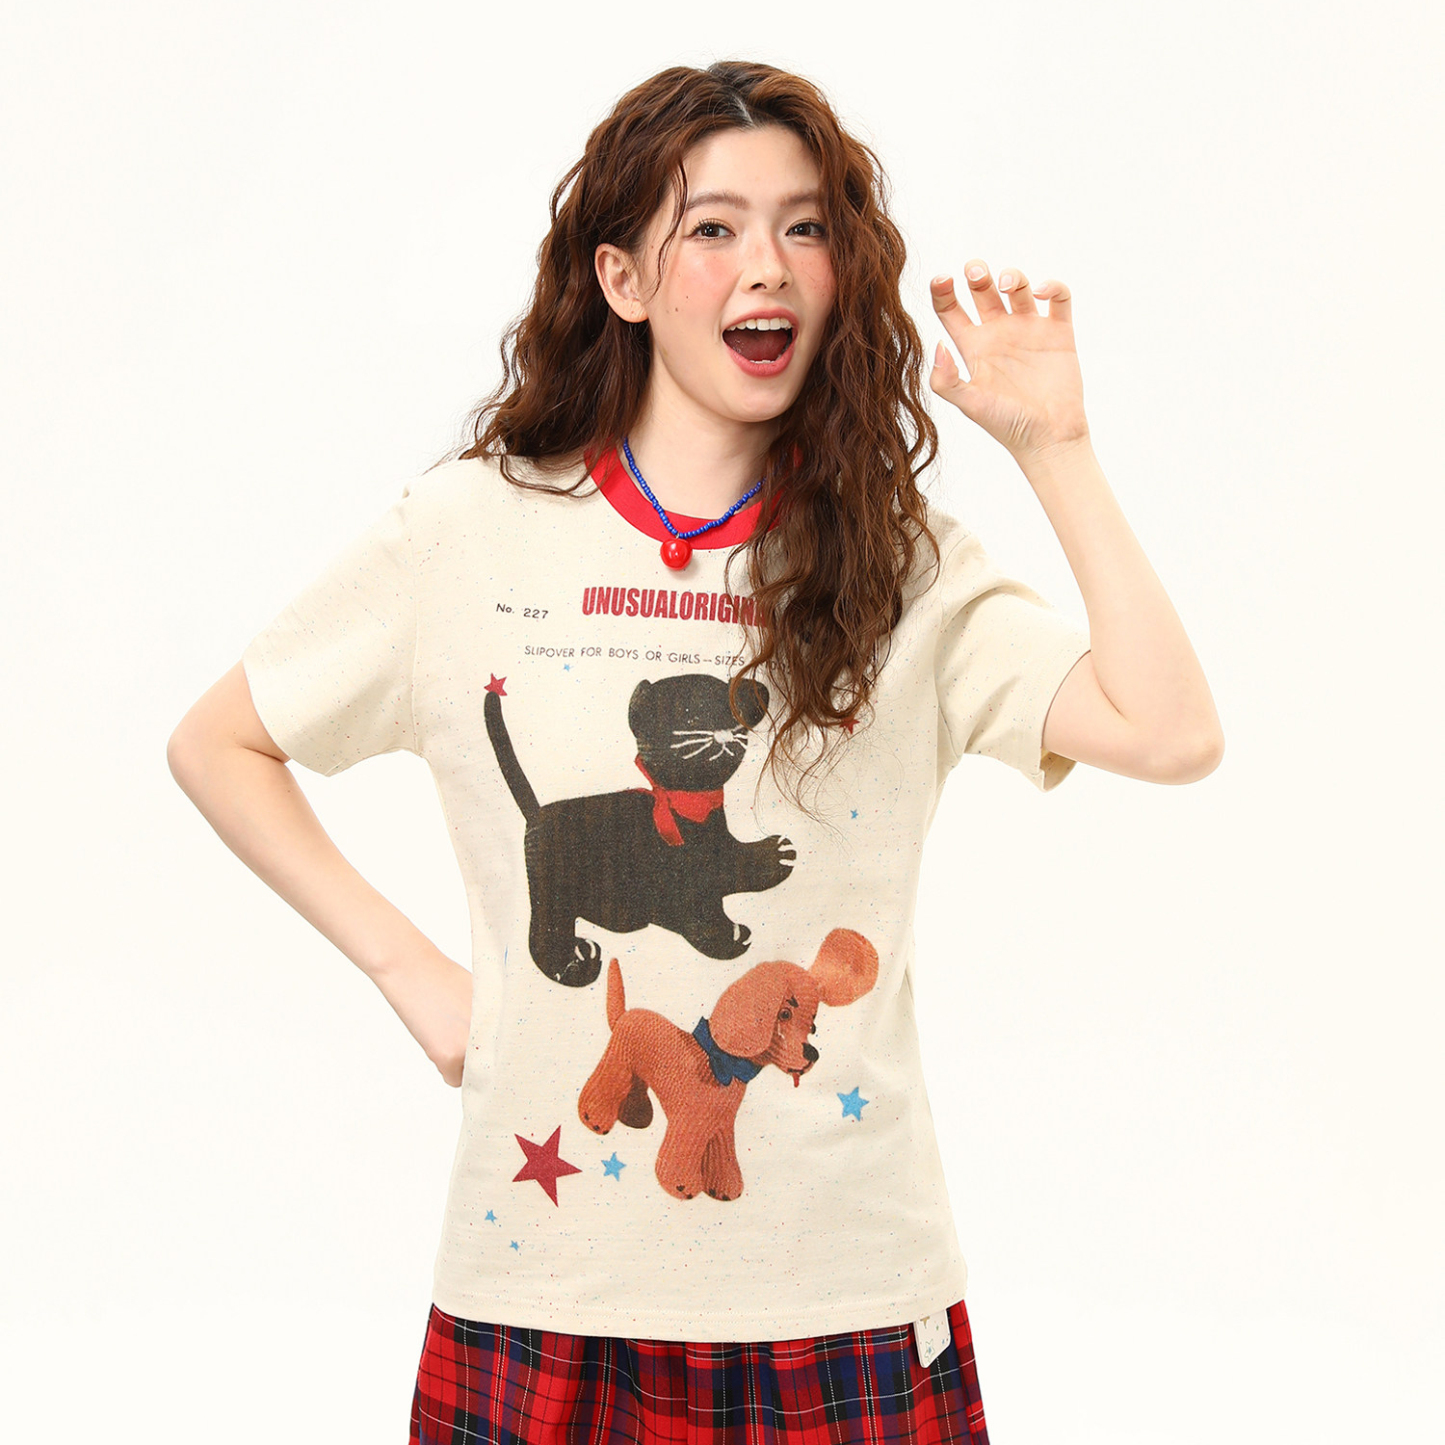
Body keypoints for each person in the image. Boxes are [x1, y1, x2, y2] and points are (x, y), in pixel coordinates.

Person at [168, 58, 1223, 1445]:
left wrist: (1057, 448)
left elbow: (1169, 732)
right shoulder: (466, 536)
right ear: (620, 278)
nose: (766, 264)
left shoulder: (900, 568)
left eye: (804, 226)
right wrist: (409, 970)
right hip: (547, 1297)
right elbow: (220, 742)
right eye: (713, 227)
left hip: (840, 1298)